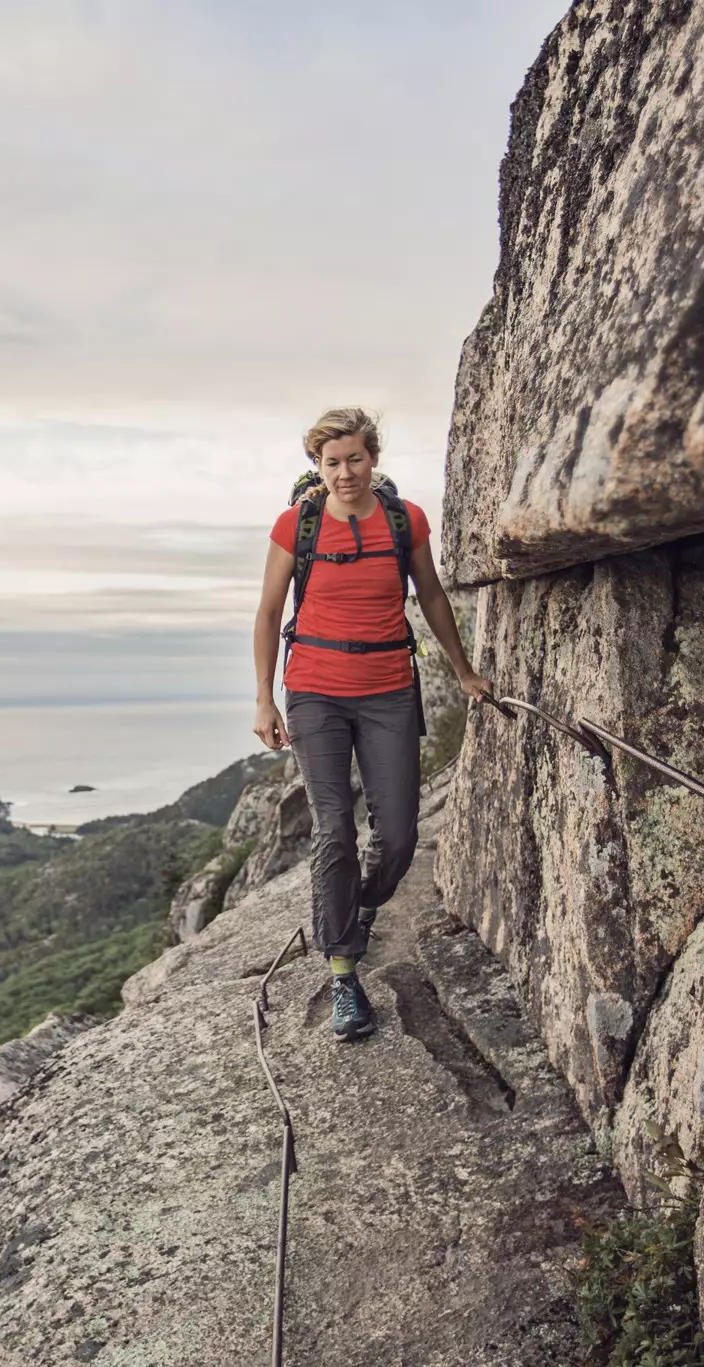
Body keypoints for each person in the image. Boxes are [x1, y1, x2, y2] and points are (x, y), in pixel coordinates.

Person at [251, 407, 495, 1041]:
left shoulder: (403, 520)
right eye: (331, 463)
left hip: (389, 691)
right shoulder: (296, 525)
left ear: (373, 458)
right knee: (333, 830)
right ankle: (342, 973)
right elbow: (269, 609)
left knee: (400, 836)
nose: (344, 472)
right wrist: (263, 700)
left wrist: (464, 671)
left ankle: (355, 905)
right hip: (314, 695)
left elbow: (433, 594)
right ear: (318, 467)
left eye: (354, 458)